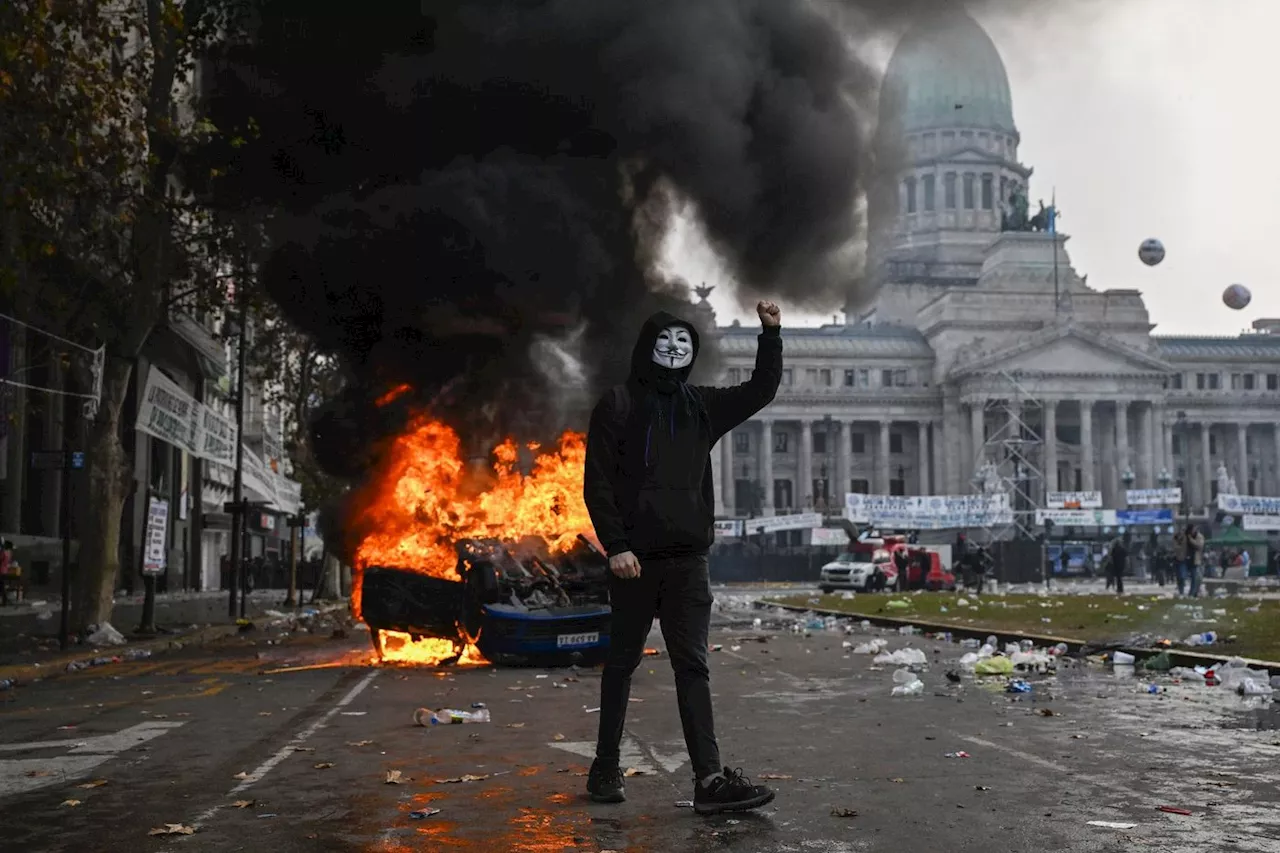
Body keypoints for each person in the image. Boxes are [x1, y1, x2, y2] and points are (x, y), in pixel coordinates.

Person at [583, 300, 783, 815]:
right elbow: (598, 482)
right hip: (634, 562)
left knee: (693, 667)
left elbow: (760, 391)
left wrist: (771, 334)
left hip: (688, 562)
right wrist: (617, 545)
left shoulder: (701, 406)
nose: (675, 350)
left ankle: (710, 782)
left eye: (684, 344)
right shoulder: (618, 404)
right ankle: (605, 767)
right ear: (647, 348)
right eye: (666, 342)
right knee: (621, 664)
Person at [1187, 524, 1205, 597]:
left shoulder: (1199, 537)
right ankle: (1193, 592)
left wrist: (1190, 539)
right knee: (1193, 577)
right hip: (1187, 559)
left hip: (1196, 560)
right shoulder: (1186, 536)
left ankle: (1193, 592)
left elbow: (1199, 546)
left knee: (1196, 577)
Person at [1171, 527, 1188, 595]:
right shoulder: (1175, 539)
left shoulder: (1185, 539)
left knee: (1182, 576)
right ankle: (1181, 590)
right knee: (1179, 576)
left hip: (1183, 559)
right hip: (1177, 559)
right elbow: (1175, 547)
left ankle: (1182, 589)